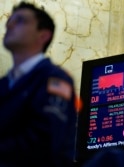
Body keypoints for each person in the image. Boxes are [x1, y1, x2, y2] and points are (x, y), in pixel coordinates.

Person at [0, 1, 77, 167]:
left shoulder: (56, 79)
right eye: (9, 21)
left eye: (20, 20)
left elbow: (45, 142)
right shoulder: (4, 84)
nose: (10, 25)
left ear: (43, 35)